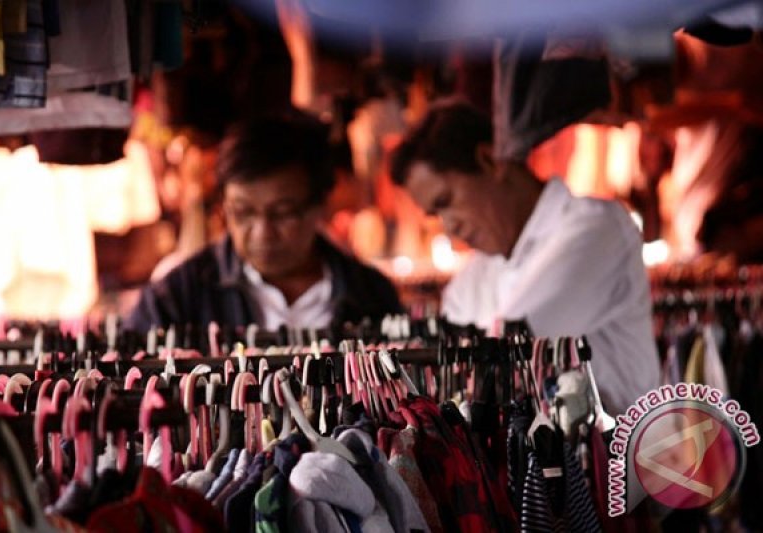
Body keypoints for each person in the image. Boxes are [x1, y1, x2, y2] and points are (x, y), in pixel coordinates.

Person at [390, 99, 660, 414]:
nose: (449, 226)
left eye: (446, 201)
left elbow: (510, 348)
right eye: (436, 214)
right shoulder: (470, 282)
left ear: (489, 160)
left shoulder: (597, 228)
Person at [126, 111, 403, 335]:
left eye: (282, 213)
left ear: (320, 206)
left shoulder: (371, 295)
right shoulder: (176, 298)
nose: (262, 232)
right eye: (242, 213)